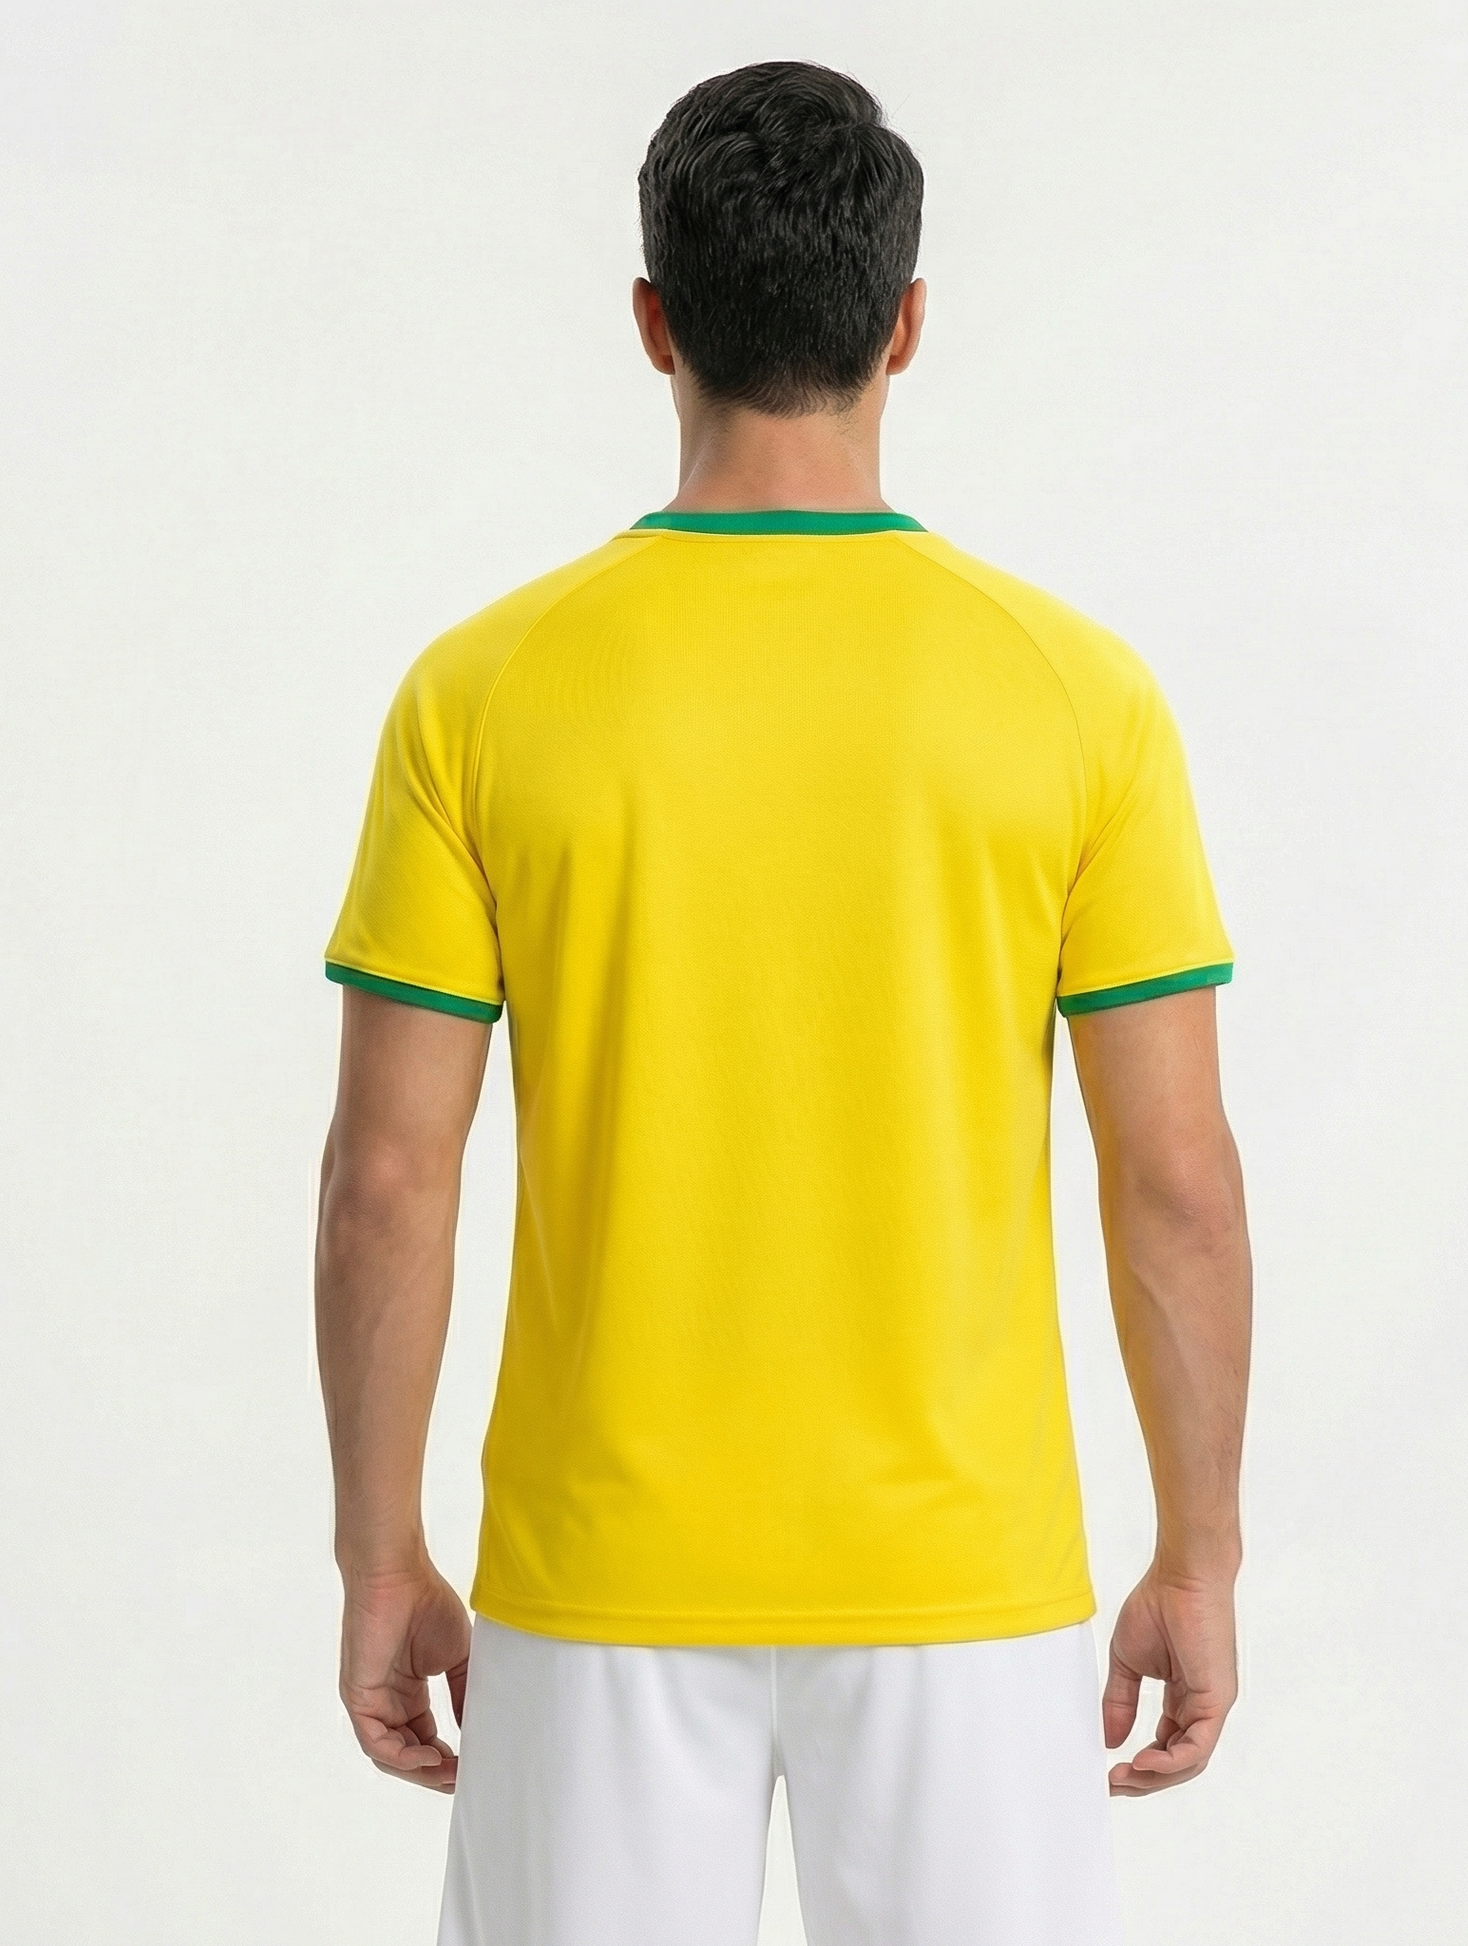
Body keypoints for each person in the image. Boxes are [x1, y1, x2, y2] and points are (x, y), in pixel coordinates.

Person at [314, 59, 1251, 1946]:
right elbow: (1173, 1181)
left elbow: (388, 1180)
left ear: (652, 319)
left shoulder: (480, 692)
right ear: (904, 323)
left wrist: (378, 1552)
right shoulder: (1076, 694)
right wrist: (1200, 1553)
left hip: (595, 1578)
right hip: (961, 1583)